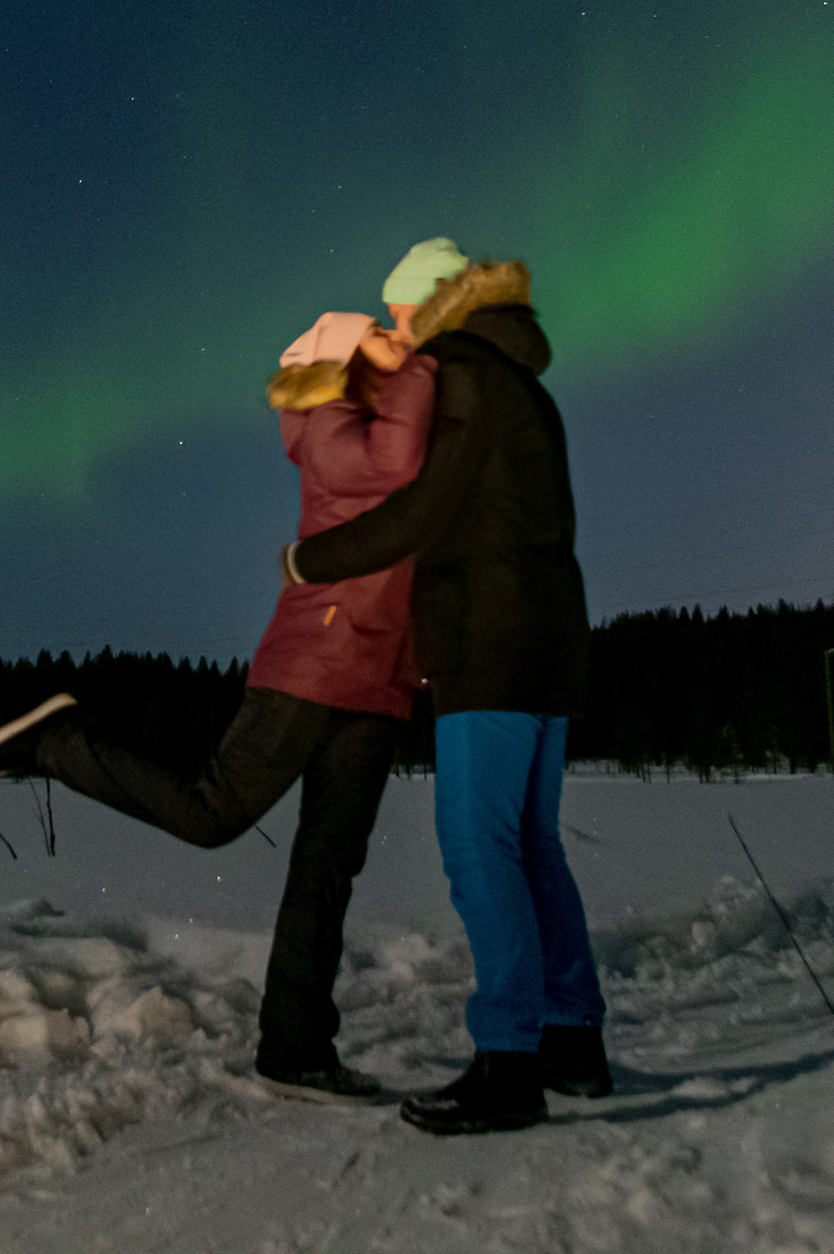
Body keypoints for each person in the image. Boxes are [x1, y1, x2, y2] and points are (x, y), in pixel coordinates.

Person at [0, 309, 435, 1104]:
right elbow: (399, 456)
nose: (397, 353)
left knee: (327, 869)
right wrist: (424, 357)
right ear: (343, 365)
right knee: (214, 809)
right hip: (316, 665)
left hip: (378, 684)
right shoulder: (328, 425)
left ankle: (295, 1049)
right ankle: (60, 740)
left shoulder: (376, 421)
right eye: (379, 347)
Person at [282, 242, 611, 1136]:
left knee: (478, 850)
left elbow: (421, 513)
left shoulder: (459, 371)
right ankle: (574, 1040)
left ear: (432, 304)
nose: (393, 331)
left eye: (399, 314)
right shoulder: (529, 386)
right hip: (550, 642)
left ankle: (510, 1060)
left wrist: (314, 558)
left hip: (488, 646)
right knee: (534, 844)